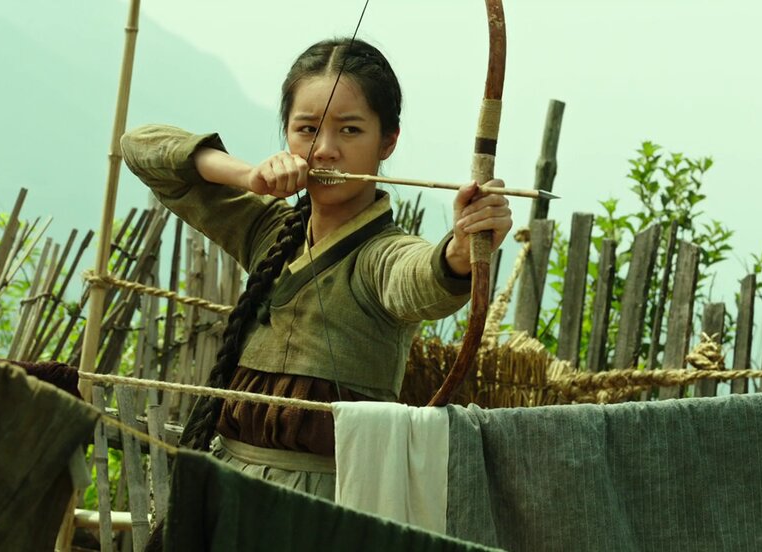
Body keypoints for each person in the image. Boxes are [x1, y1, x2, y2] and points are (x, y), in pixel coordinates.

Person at [120, 37, 513, 504]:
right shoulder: (267, 228)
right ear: (286, 133)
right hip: (226, 487)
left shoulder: (379, 255)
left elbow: (417, 279)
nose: (324, 150)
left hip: (329, 502)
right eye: (306, 129)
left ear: (388, 141)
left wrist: (461, 253)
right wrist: (247, 176)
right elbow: (141, 147)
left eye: (350, 130)